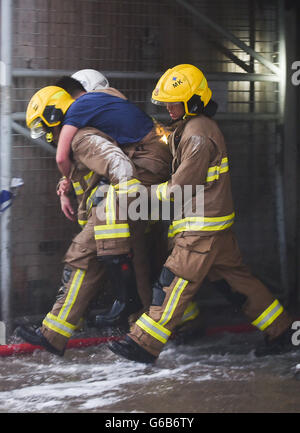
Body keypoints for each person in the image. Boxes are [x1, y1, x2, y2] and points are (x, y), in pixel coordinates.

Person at [108, 64, 296, 364]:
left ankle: (143, 344)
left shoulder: (196, 134)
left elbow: (180, 187)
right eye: (167, 102)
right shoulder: (194, 127)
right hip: (214, 226)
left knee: (174, 282)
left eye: (174, 102)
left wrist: (140, 194)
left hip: (200, 228)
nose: (169, 107)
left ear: (193, 101)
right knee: (238, 281)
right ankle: (282, 330)